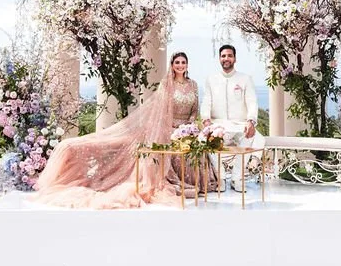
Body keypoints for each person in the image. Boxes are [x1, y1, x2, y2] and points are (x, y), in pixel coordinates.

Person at [33, 51, 211, 209]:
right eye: (177, 62)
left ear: (187, 65)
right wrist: (173, 130)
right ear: (172, 65)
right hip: (168, 128)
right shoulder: (166, 85)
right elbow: (162, 112)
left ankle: (198, 180)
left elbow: (195, 109)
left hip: (187, 128)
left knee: (197, 147)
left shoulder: (193, 85)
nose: (180, 65)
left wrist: (188, 128)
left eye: (183, 62)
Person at [200, 44, 264, 191]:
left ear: (235, 58)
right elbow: (206, 102)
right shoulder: (211, 79)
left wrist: (251, 121)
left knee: (254, 137)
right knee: (206, 139)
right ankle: (220, 178)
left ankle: (236, 178)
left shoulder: (245, 79)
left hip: (240, 125)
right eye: (223, 56)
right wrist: (206, 120)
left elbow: (252, 102)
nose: (226, 58)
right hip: (219, 125)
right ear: (219, 59)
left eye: (229, 56)